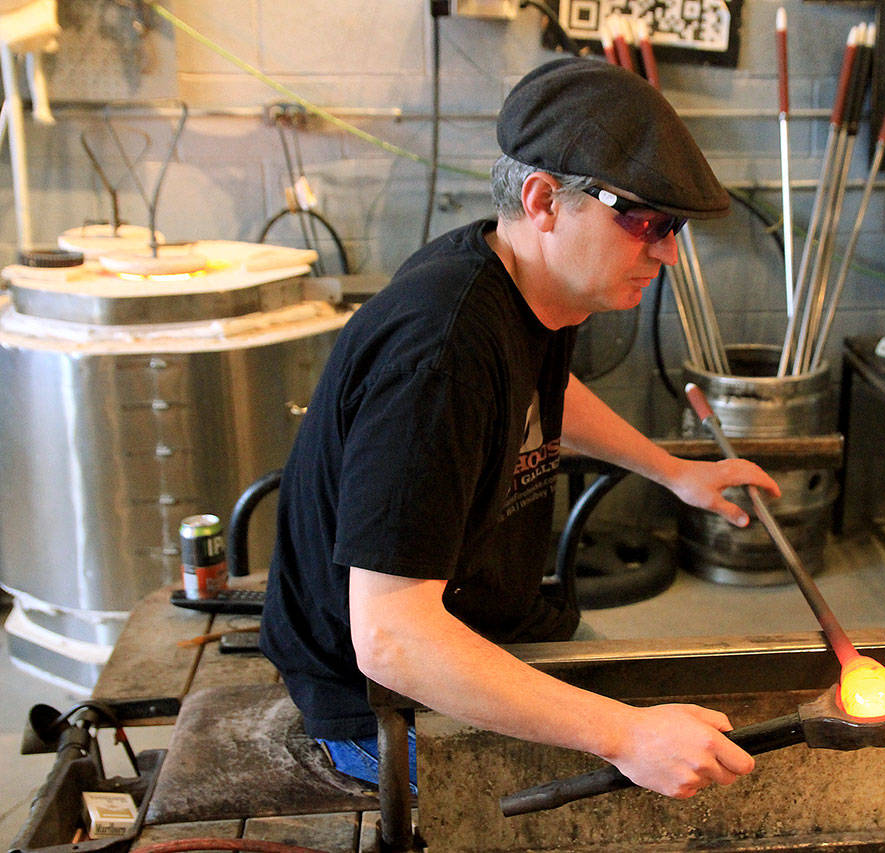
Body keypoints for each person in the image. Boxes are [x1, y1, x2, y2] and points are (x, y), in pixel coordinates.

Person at [259, 56, 782, 797]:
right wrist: (625, 734)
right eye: (645, 222)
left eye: (675, 228)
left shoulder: (530, 287)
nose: (667, 252)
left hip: (493, 617)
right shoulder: (438, 353)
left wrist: (673, 471)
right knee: (632, 799)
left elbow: (544, 392)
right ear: (543, 200)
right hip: (379, 695)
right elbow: (392, 637)